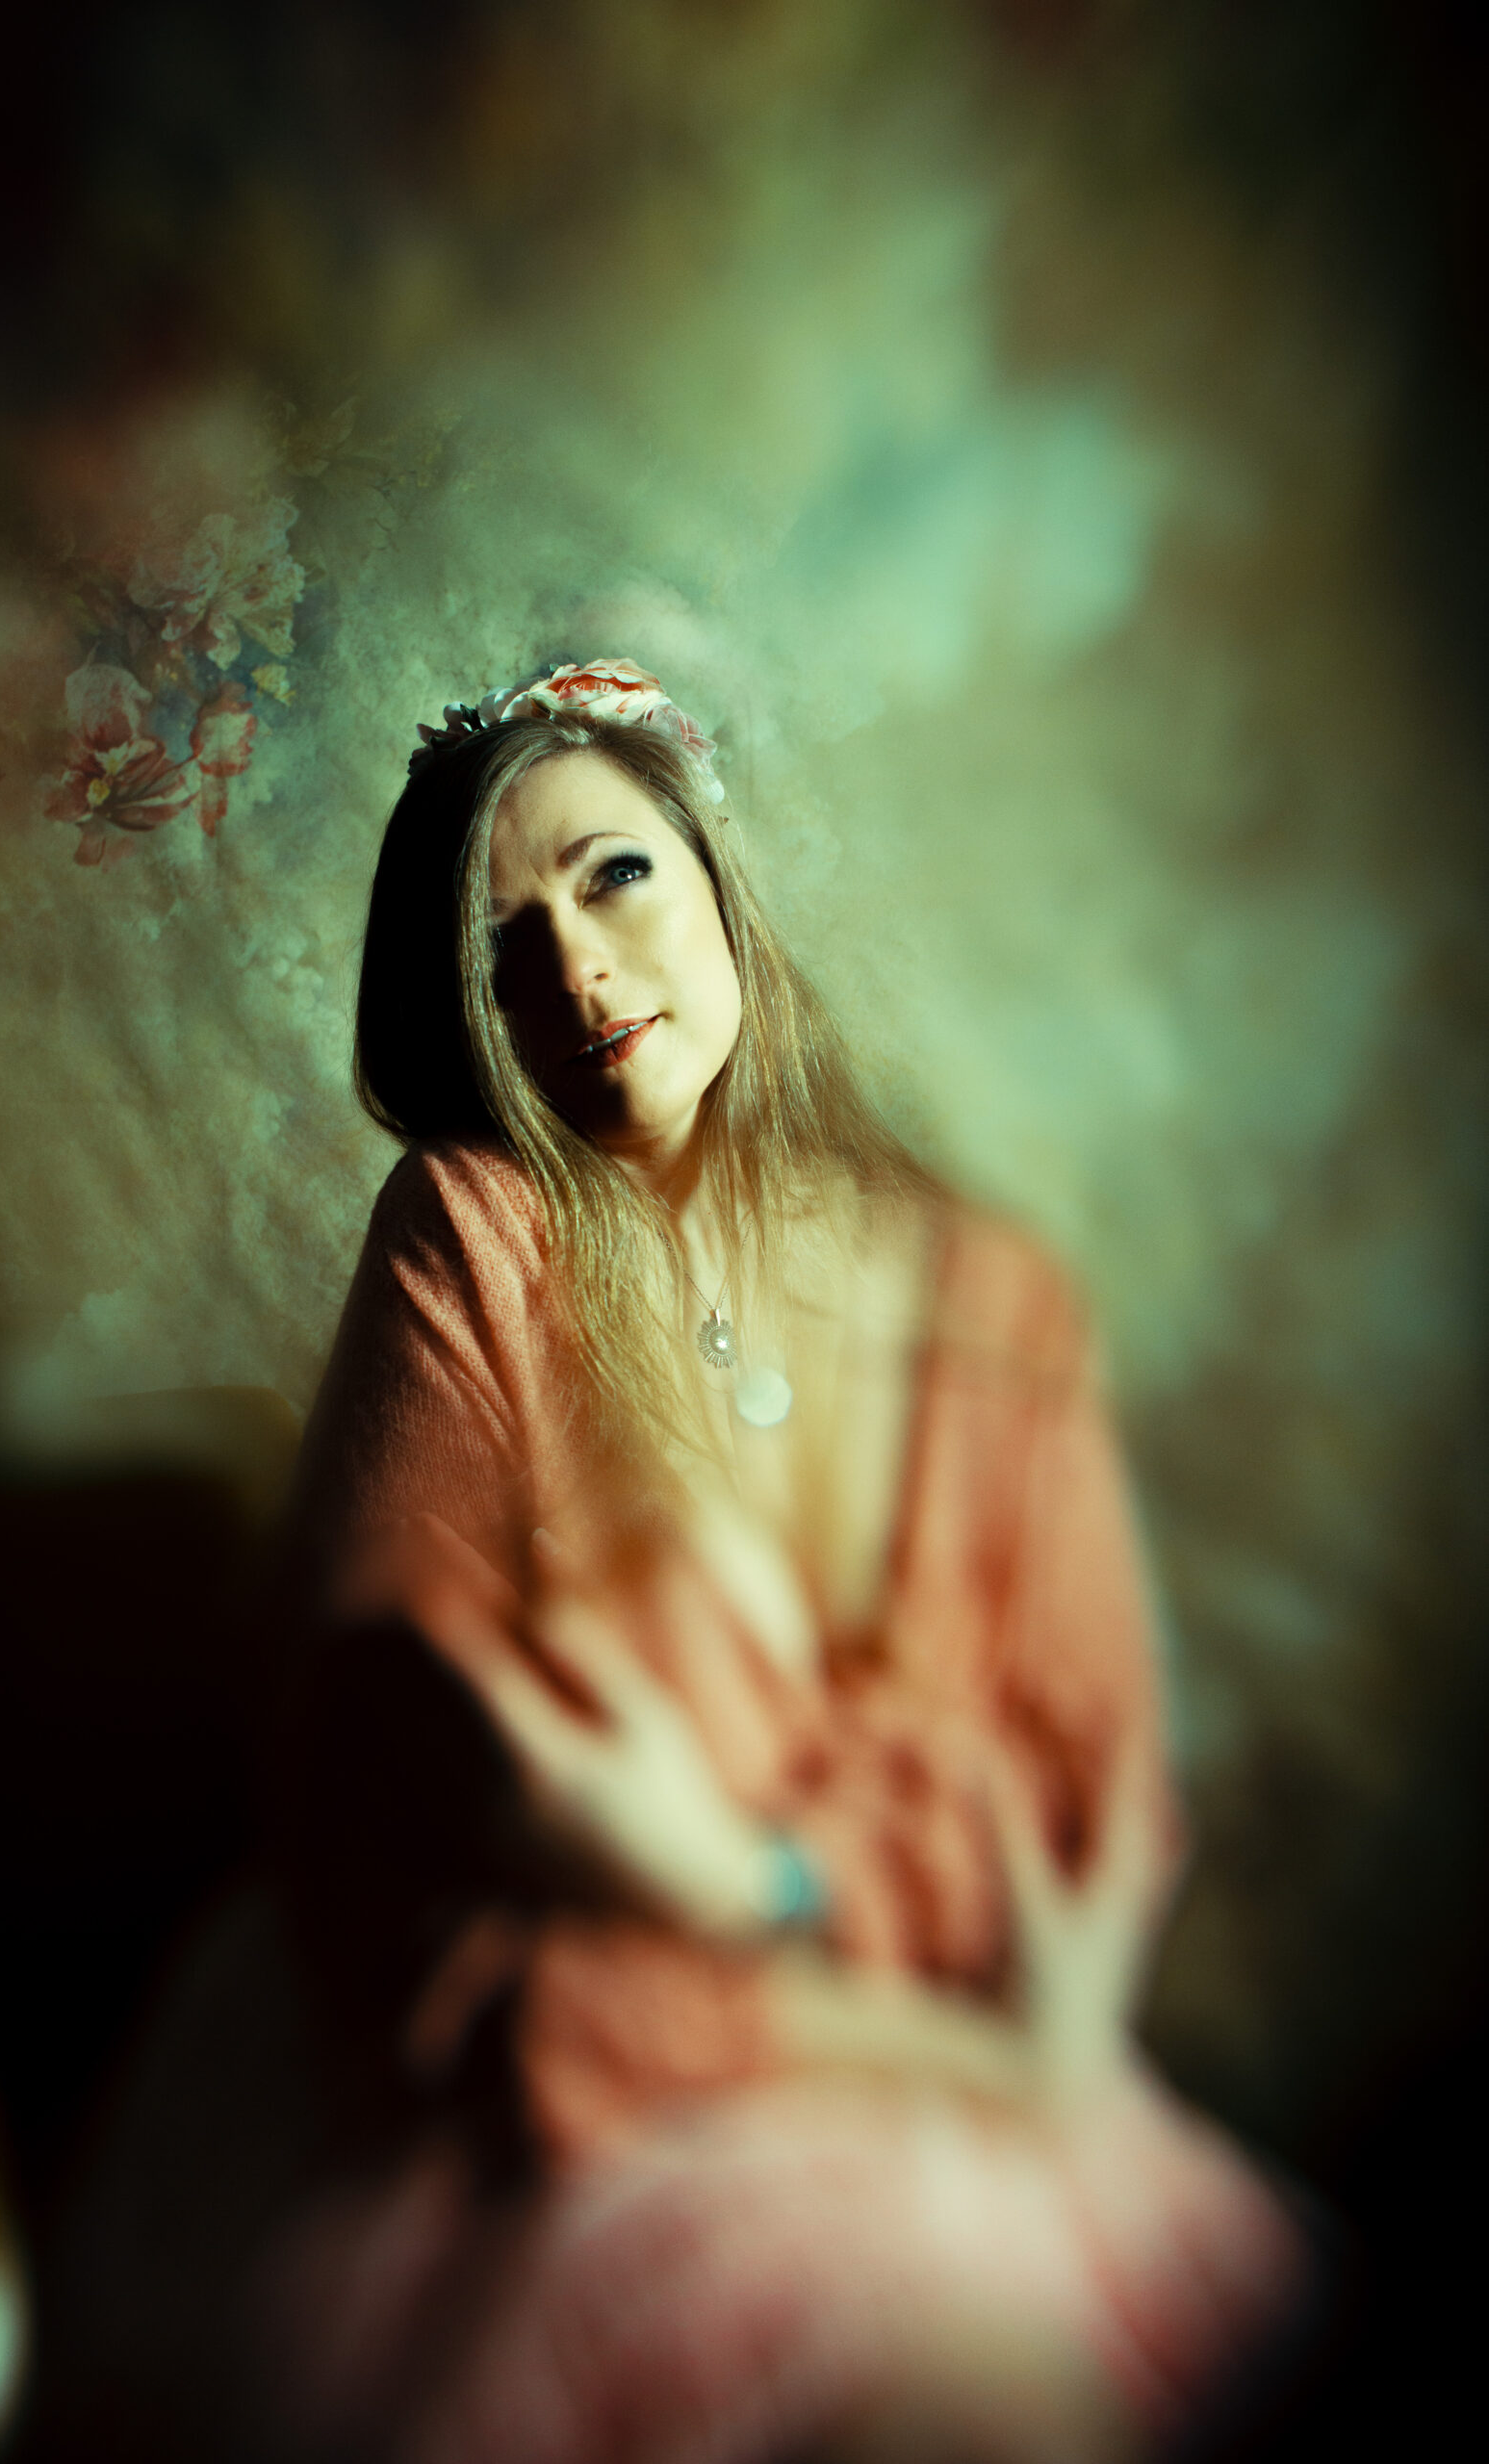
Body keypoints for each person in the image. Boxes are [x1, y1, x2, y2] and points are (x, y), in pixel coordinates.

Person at [271, 659, 1305, 2464]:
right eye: (500, 945)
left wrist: (794, 1894)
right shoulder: (472, 1228)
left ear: (715, 874)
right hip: (645, 2097)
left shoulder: (981, 1292)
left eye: (611, 876)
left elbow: (1085, 1797)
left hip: (972, 2068)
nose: (572, 972)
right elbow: (424, 1734)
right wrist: (793, 1920)